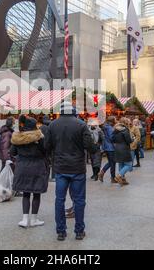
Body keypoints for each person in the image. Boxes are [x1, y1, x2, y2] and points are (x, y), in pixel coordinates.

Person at [45, 101, 97, 241]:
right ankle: (79, 231)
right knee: (79, 200)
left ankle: (61, 232)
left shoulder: (52, 125)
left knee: (59, 200)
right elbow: (90, 146)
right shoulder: (81, 124)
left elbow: (46, 146)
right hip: (77, 168)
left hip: (60, 168)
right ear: (73, 111)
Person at [10, 116, 48, 228]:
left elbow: (12, 152)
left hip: (22, 166)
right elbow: (45, 151)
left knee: (26, 193)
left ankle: (24, 219)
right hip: (37, 166)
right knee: (36, 193)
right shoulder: (39, 138)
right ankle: (34, 219)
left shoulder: (17, 138)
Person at [112, 118, 133, 186]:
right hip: (124, 148)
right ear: (125, 122)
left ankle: (123, 179)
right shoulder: (125, 129)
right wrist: (132, 139)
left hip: (117, 148)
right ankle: (119, 175)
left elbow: (112, 139)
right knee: (129, 165)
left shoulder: (115, 129)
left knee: (121, 164)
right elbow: (128, 140)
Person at [98, 116, 117, 183]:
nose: (116, 120)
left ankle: (104, 174)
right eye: (115, 119)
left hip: (107, 147)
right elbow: (111, 138)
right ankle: (111, 177)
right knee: (112, 163)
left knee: (111, 162)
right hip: (110, 147)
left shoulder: (106, 127)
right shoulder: (109, 128)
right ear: (112, 121)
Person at [39, 115, 54, 182]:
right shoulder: (52, 127)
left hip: (43, 147)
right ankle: (53, 176)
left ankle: (45, 176)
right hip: (51, 147)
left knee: (45, 162)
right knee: (52, 162)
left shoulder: (41, 128)